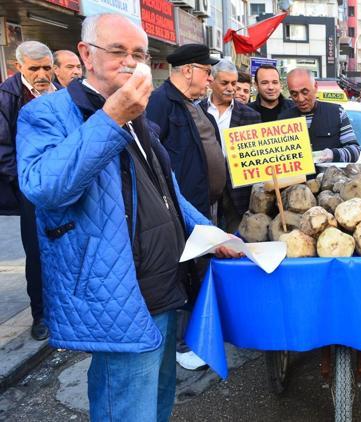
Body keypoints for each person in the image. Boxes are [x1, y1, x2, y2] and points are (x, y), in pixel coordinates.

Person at [14, 13, 240, 421]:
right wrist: (110, 117)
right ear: (86, 54)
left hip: (166, 280)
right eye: (118, 51)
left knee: (158, 397)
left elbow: (167, 192)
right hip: (120, 291)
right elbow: (44, 187)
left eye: (138, 54)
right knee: (129, 405)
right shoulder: (47, 114)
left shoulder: (141, 117)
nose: (130, 61)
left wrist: (212, 233)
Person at [0, 40, 57, 341]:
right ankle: (41, 315)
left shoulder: (60, 92)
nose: (41, 74)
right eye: (34, 68)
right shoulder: (7, 96)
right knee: (36, 252)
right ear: (19, 67)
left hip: (62, 186)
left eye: (46, 67)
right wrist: (23, 183)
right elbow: (2, 147)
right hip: (30, 191)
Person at [146, 43, 224, 221]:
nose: (211, 79)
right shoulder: (159, 103)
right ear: (188, 70)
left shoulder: (191, 104)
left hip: (206, 208)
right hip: (183, 214)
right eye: (207, 71)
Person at [199, 59, 261, 232]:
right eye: (224, 83)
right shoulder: (196, 111)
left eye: (234, 83)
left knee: (238, 239)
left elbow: (257, 157)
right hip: (206, 187)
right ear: (211, 82)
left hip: (239, 192)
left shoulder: (250, 116)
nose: (231, 88)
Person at [278, 68, 359, 162]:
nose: (300, 99)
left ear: (315, 86)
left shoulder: (337, 112)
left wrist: (333, 154)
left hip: (330, 175)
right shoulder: (282, 120)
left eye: (305, 92)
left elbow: (355, 152)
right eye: (294, 94)